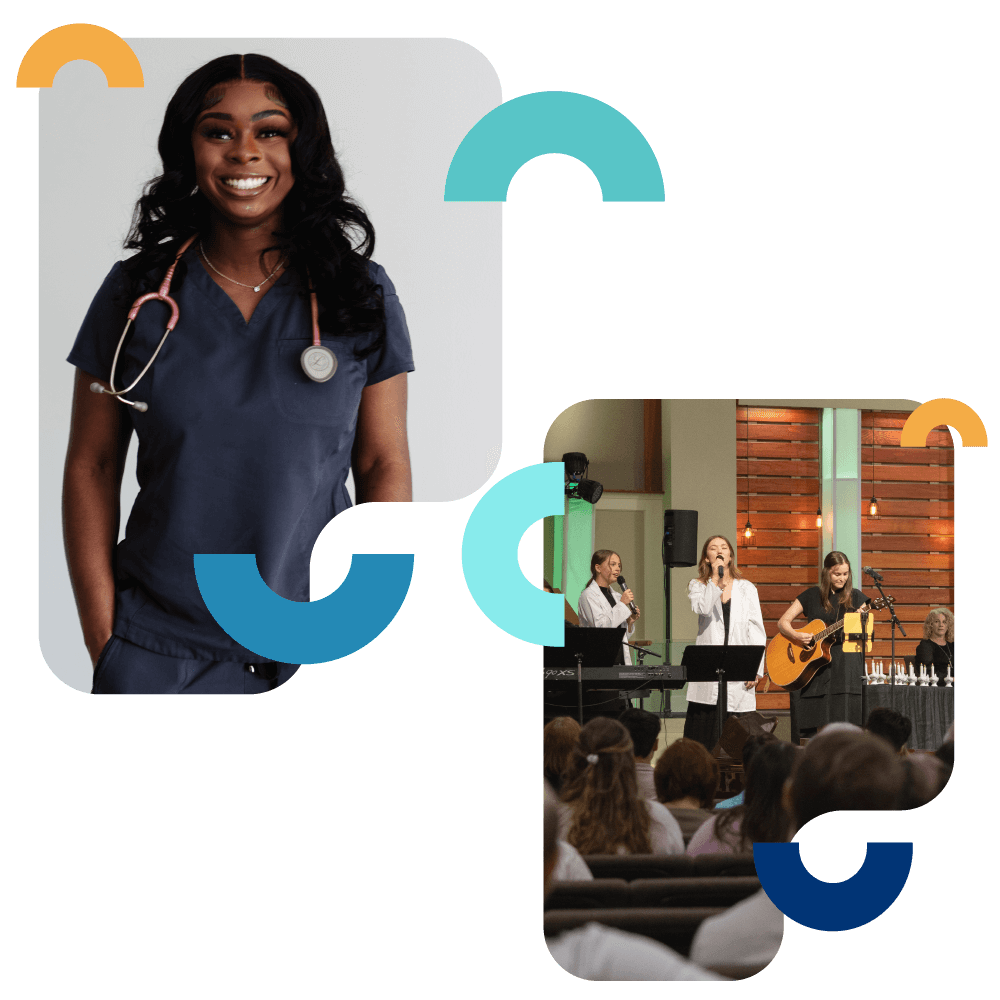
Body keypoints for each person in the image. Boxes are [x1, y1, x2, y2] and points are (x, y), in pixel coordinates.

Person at [62, 54, 414, 694]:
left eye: (270, 131)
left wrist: (371, 621)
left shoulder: (358, 294)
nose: (244, 152)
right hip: (158, 648)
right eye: (218, 131)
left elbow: (383, 463)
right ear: (188, 149)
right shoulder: (135, 294)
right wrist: (104, 636)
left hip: (316, 635)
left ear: (301, 148)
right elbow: (91, 465)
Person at [775, 551, 871, 740]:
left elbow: (864, 635)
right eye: (837, 574)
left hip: (844, 667)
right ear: (826, 572)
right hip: (814, 669)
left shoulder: (858, 598)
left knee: (845, 726)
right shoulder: (812, 595)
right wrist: (797, 636)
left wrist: (860, 617)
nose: (842, 578)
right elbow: (783, 622)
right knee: (812, 723)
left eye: (845, 574)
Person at [684, 535, 766, 752]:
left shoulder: (746, 588)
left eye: (724, 547)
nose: (719, 551)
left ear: (730, 556)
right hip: (709, 666)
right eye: (713, 548)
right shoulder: (698, 585)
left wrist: (755, 669)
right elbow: (702, 608)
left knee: (736, 737)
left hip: (738, 665)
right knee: (707, 733)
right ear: (707, 557)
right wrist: (715, 581)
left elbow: (756, 630)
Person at [914, 608, 956, 684]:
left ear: (948, 626)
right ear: (931, 625)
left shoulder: (952, 646)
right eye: (937, 621)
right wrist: (952, 679)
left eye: (944, 622)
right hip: (937, 686)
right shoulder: (925, 646)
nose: (941, 625)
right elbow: (929, 672)